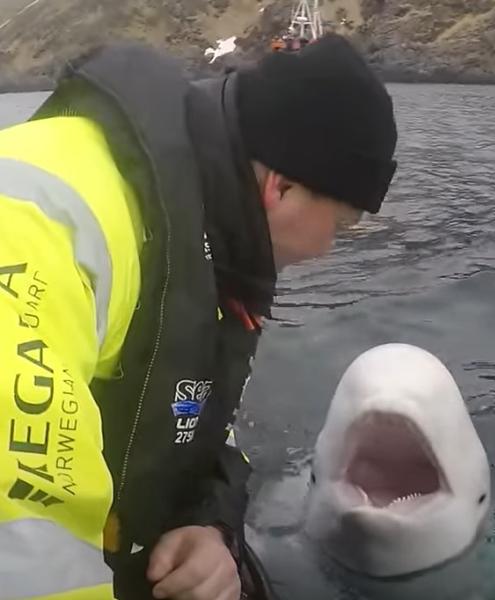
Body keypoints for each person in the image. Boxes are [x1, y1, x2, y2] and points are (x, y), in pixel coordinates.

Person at [0, 33, 397, 600]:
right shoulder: (53, 221)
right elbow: (16, 519)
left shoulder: (194, 234)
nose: (325, 252)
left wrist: (208, 526)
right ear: (281, 187)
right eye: (339, 227)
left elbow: (194, 411)